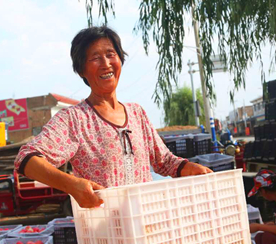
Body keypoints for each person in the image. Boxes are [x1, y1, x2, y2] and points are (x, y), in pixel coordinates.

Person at [15, 26, 211, 208]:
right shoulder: (74, 119)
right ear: (81, 69)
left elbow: (164, 161)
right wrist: (71, 185)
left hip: (145, 224)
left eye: (111, 54)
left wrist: (188, 167)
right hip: (105, 233)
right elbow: (26, 159)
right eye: (95, 58)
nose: (106, 63)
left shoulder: (137, 113)